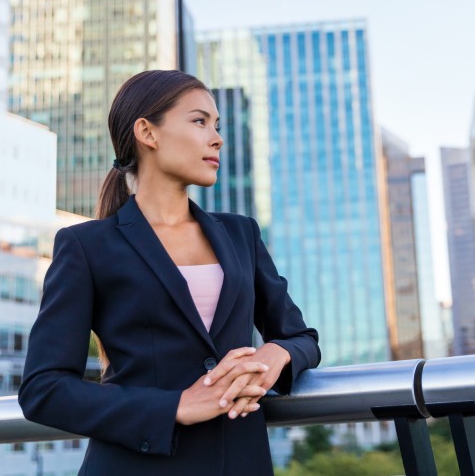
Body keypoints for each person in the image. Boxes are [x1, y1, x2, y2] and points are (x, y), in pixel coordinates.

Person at [18, 70, 321, 475]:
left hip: (241, 461)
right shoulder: (86, 246)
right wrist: (175, 406)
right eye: (199, 122)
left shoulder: (240, 233)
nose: (217, 138)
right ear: (147, 132)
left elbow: (302, 338)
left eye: (217, 126)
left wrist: (274, 354)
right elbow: (44, 389)